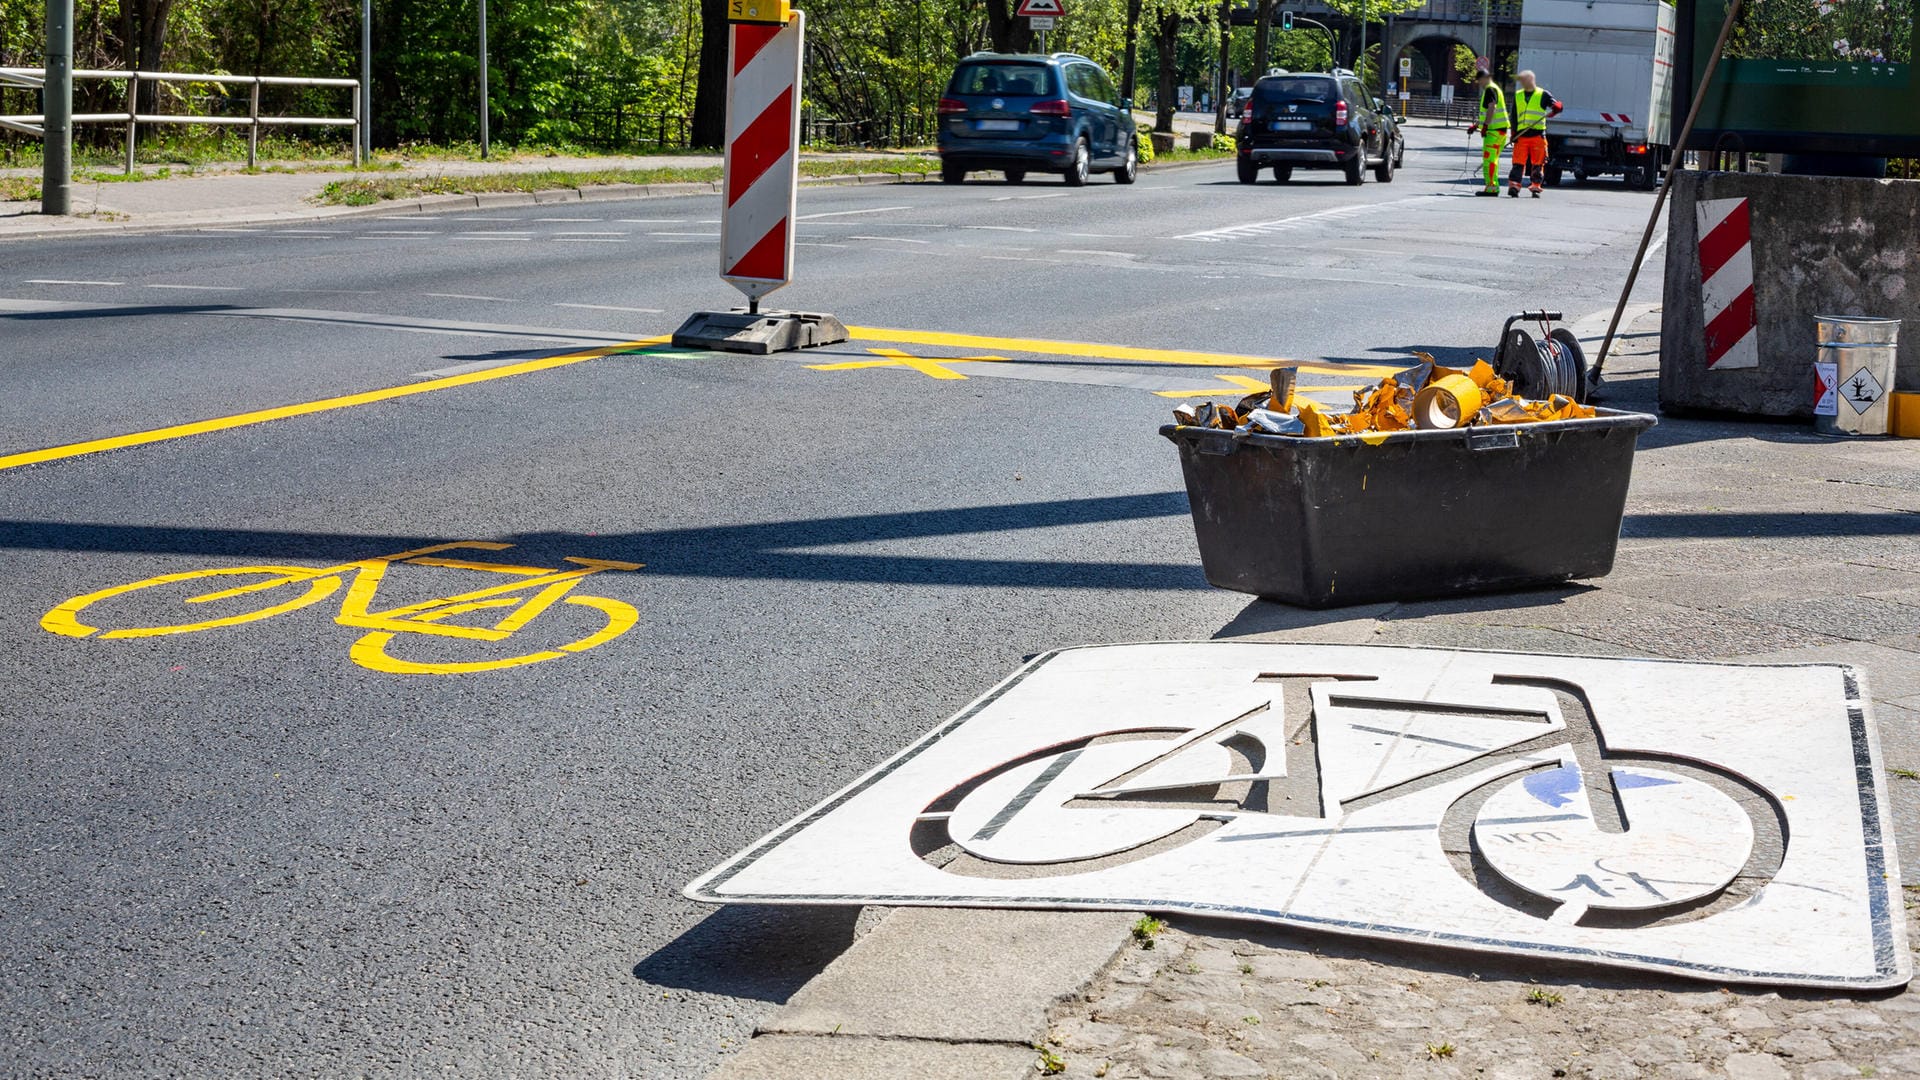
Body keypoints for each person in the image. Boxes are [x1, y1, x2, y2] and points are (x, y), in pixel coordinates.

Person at [1507, 69, 1564, 198]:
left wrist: (1557, 108)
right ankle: (1514, 186)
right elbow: (1514, 117)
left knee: (1538, 164)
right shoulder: (1518, 95)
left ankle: (1535, 187)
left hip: (1537, 135)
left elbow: (1556, 106)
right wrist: (1513, 133)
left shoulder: (1543, 94)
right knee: (1518, 163)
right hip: (1521, 136)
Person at [1464, 70, 1507, 198]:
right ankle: (1493, 186)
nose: (1479, 83)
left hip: (1493, 131)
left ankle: (1491, 188)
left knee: (1489, 160)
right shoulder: (1495, 89)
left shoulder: (1490, 89)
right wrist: (1477, 125)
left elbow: (1492, 107)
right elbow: (1487, 112)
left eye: (1479, 80)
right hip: (1500, 131)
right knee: (1494, 160)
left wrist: (1485, 126)